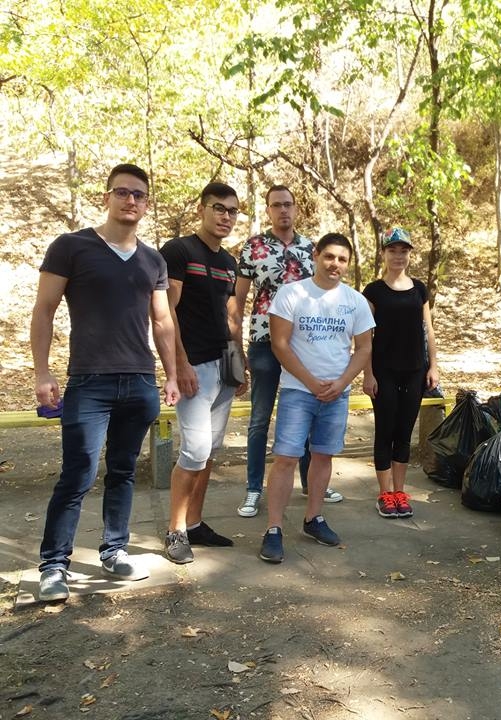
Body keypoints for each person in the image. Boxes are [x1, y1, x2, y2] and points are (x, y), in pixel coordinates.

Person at [31, 163, 180, 602]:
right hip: (89, 382)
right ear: (107, 197)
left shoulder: (153, 259)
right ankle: (54, 565)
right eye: (122, 192)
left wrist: (171, 374)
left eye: (139, 195)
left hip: (139, 382)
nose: (130, 200)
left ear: (146, 204)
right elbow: (44, 310)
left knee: (123, 471)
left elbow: (162, 321)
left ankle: (114, 550)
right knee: (78, 473)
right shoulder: (71, 247)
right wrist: (42, 372)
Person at [258, 233, 374, 563]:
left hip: (337, 394)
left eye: (342, 259)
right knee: (286, 458)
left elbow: (364, 347)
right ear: (316, 256)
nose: (335, 264)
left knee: (323, 456)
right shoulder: (292, 293)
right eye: (329, 256)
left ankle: (313, 518)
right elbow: (280, 344)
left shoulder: (355, 301)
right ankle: (274, 529)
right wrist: (310, 382)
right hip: (298, 391)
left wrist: (342, 383)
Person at [234, 185, 342, 518]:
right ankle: (254, 488)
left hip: (304, 344)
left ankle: (311, 483)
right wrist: (237, 349)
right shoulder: (253, 247)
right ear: (267, 209)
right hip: (265, 342)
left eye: (288, 204)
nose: (283, 210)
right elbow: (238, 301)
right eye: (276, 205)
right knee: (260, 418)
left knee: (308, 413)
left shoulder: (311, 248)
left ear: (296, 209)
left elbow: (324, 293)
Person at [160, 182, 246, 564]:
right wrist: (179, 365)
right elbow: (166, 311)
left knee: (209, 451)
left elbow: (231, 317)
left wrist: (239, 363)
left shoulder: (229, 263)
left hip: (223, 367)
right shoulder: (179, 251)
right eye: (219, 208)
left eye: (232, 211)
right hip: (193, 367)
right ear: (201, 209)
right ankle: (175, 531)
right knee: (194, 451)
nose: (226, 216)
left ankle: (194, 523)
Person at [362, 228, 439, 519]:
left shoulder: (419, 289)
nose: (398, 256)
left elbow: (428, 330)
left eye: (403, 251)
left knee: (404, 433)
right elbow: (364, 336)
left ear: (409, 255)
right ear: (383, 253)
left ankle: (399, 492)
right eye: (392, 250)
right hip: (384, 371)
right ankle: (384, 493)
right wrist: (367, 374)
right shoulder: (373, 291)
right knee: (386, 430)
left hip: (415, 370)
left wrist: (434, 365)